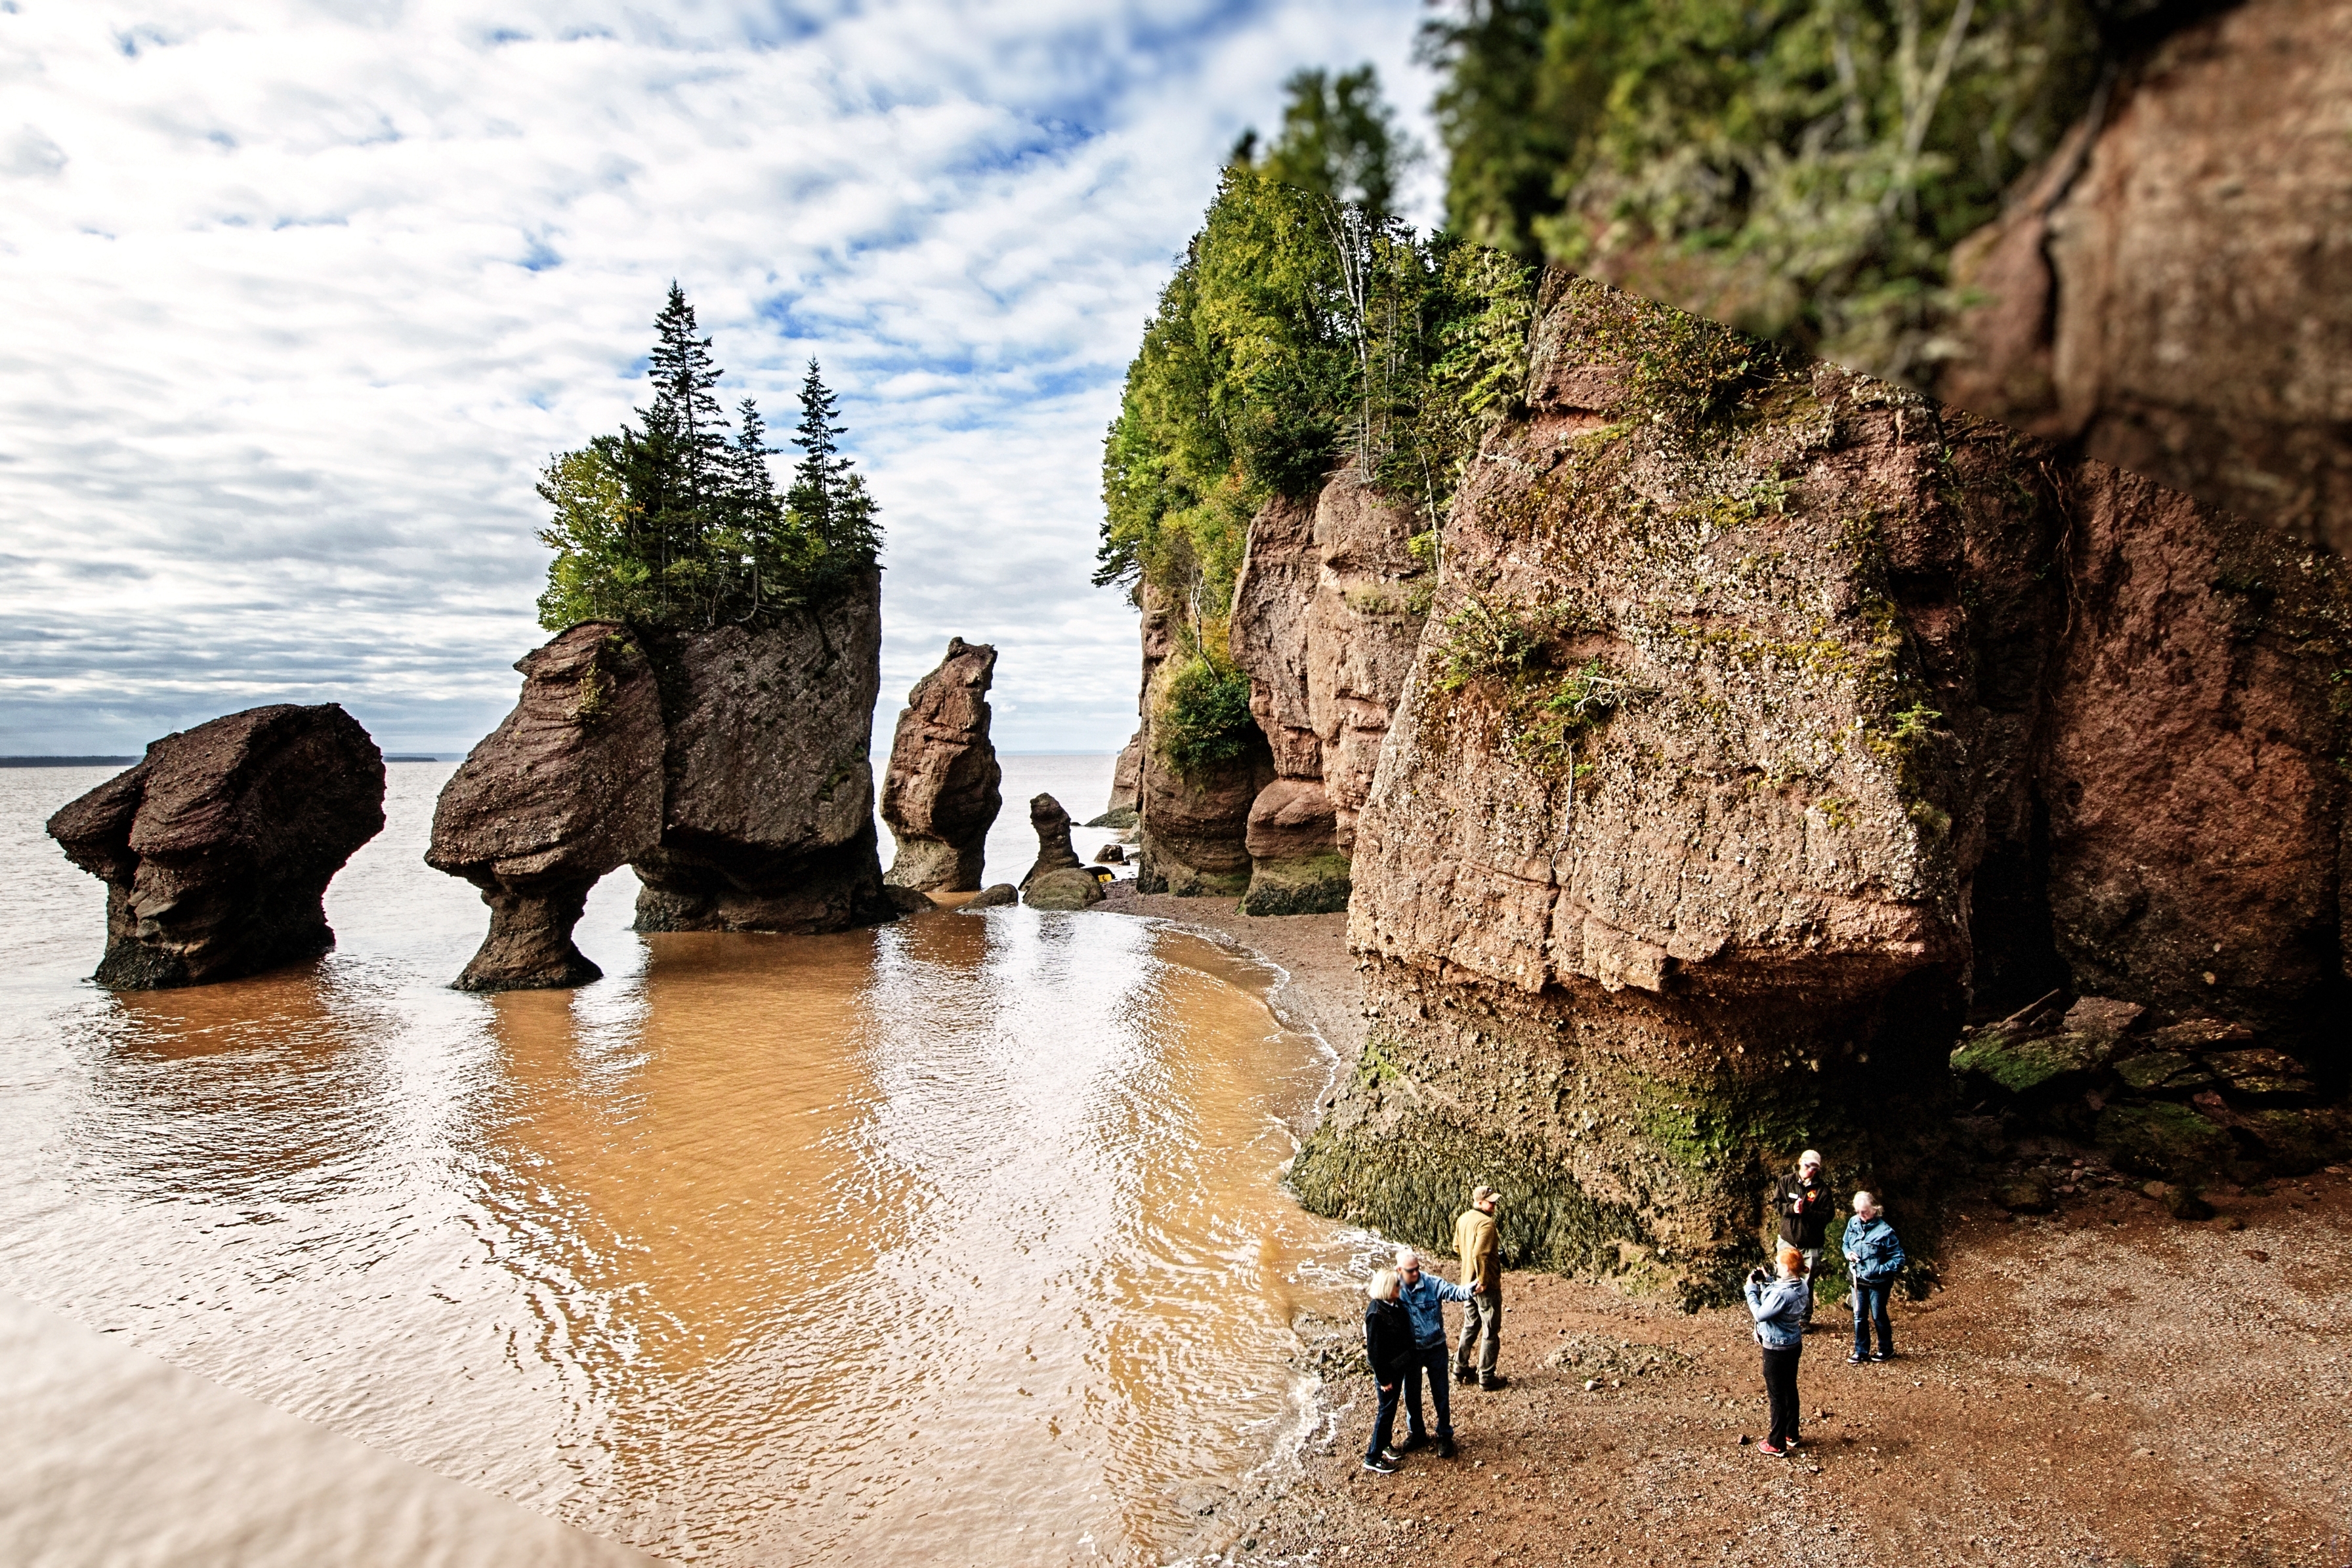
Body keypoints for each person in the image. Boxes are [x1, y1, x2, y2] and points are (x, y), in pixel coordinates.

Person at [1391, 1246, 1475, 1459]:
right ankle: (1417, 1433)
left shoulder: (1432, 1283)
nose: (1416, 1273)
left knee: (1441, 1393)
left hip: (1436, 1347)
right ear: (1399, 1270)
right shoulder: (1394, 1288)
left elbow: (1455, 1292)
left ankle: (1444, 1435)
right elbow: (1379, 1304)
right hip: (1411, 1352)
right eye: (1411, 1271)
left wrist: (1472, 1288)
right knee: (1411, 1394)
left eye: (1417, 1268)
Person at [1745, 1246, 1811, 1457]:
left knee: (1776, 1395)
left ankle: (1776, 1443)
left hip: (1776, 1349)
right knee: (1790, 1388)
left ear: (1789, 1268)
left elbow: (1760, 1314)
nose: (1777, 1266)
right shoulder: (1801, 1286)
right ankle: (1792, 1434)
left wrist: (1751, 1290)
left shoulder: (1782, 1294)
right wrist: (1768, 1279)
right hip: (1793, 1344)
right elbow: (1781, 1291)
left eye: (1779, 1265)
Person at [1771, 1149, 1834, 1327]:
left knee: (1806, 1283)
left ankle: (1804, 1319)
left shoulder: (1823, 1190)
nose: (1811, 1170)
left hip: (1811, 1244)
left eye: (1815, 1168)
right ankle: (1780, 1314)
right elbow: (1777, 1205)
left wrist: (1807, 1212)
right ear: (1800, 1162)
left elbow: (1827, 1216)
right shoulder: (1786, 1181)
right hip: (1788, 1242)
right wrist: (1792, 1209)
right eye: (1808, 1166)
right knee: (1783, 1278)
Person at [1841, 1191, 1906, 1364]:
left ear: (1875, 1209)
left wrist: (1879, 1269)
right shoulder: (1853, 1223)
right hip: (1857, 1279)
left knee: (1878, 1316)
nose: (1861, 1216)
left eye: (1865, 1211)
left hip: (1879, 1283)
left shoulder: (1885, 1232)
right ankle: (1861, 1351)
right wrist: (1849, 1254)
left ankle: (1886, 1349)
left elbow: (1899, 1259)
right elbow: (1845, 1244)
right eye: (1857, 1212)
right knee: (1858, 1315)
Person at [1452, 1184, 1506, 1390]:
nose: (1494, 1205)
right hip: (1485, 1286)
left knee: (1471, 1324)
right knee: (1491, 1331)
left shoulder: (1463, 1219)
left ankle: (1460, 1367)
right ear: (1480, 1202)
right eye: (1490, 1201)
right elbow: (1479, 1254)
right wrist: (1483, 1280)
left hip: (1466, 1284)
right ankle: (1486, 1377)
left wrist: (1471, 1272)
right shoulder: (1487, 1224)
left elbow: (1457, 1247)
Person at [1361, 1269, 1414, 1473]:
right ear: (1387, 1289)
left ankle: (1385, 1444)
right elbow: (1374, 1354)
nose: (1401, 1288)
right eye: (1397, 1286)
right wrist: (1383, 1379)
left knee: (1390, 1410)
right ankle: (1372, 1456)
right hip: (1388, 1372)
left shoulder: (1394, 1304)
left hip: (1398, 1365)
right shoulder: (1376, 1314)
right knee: (1385, 1412)